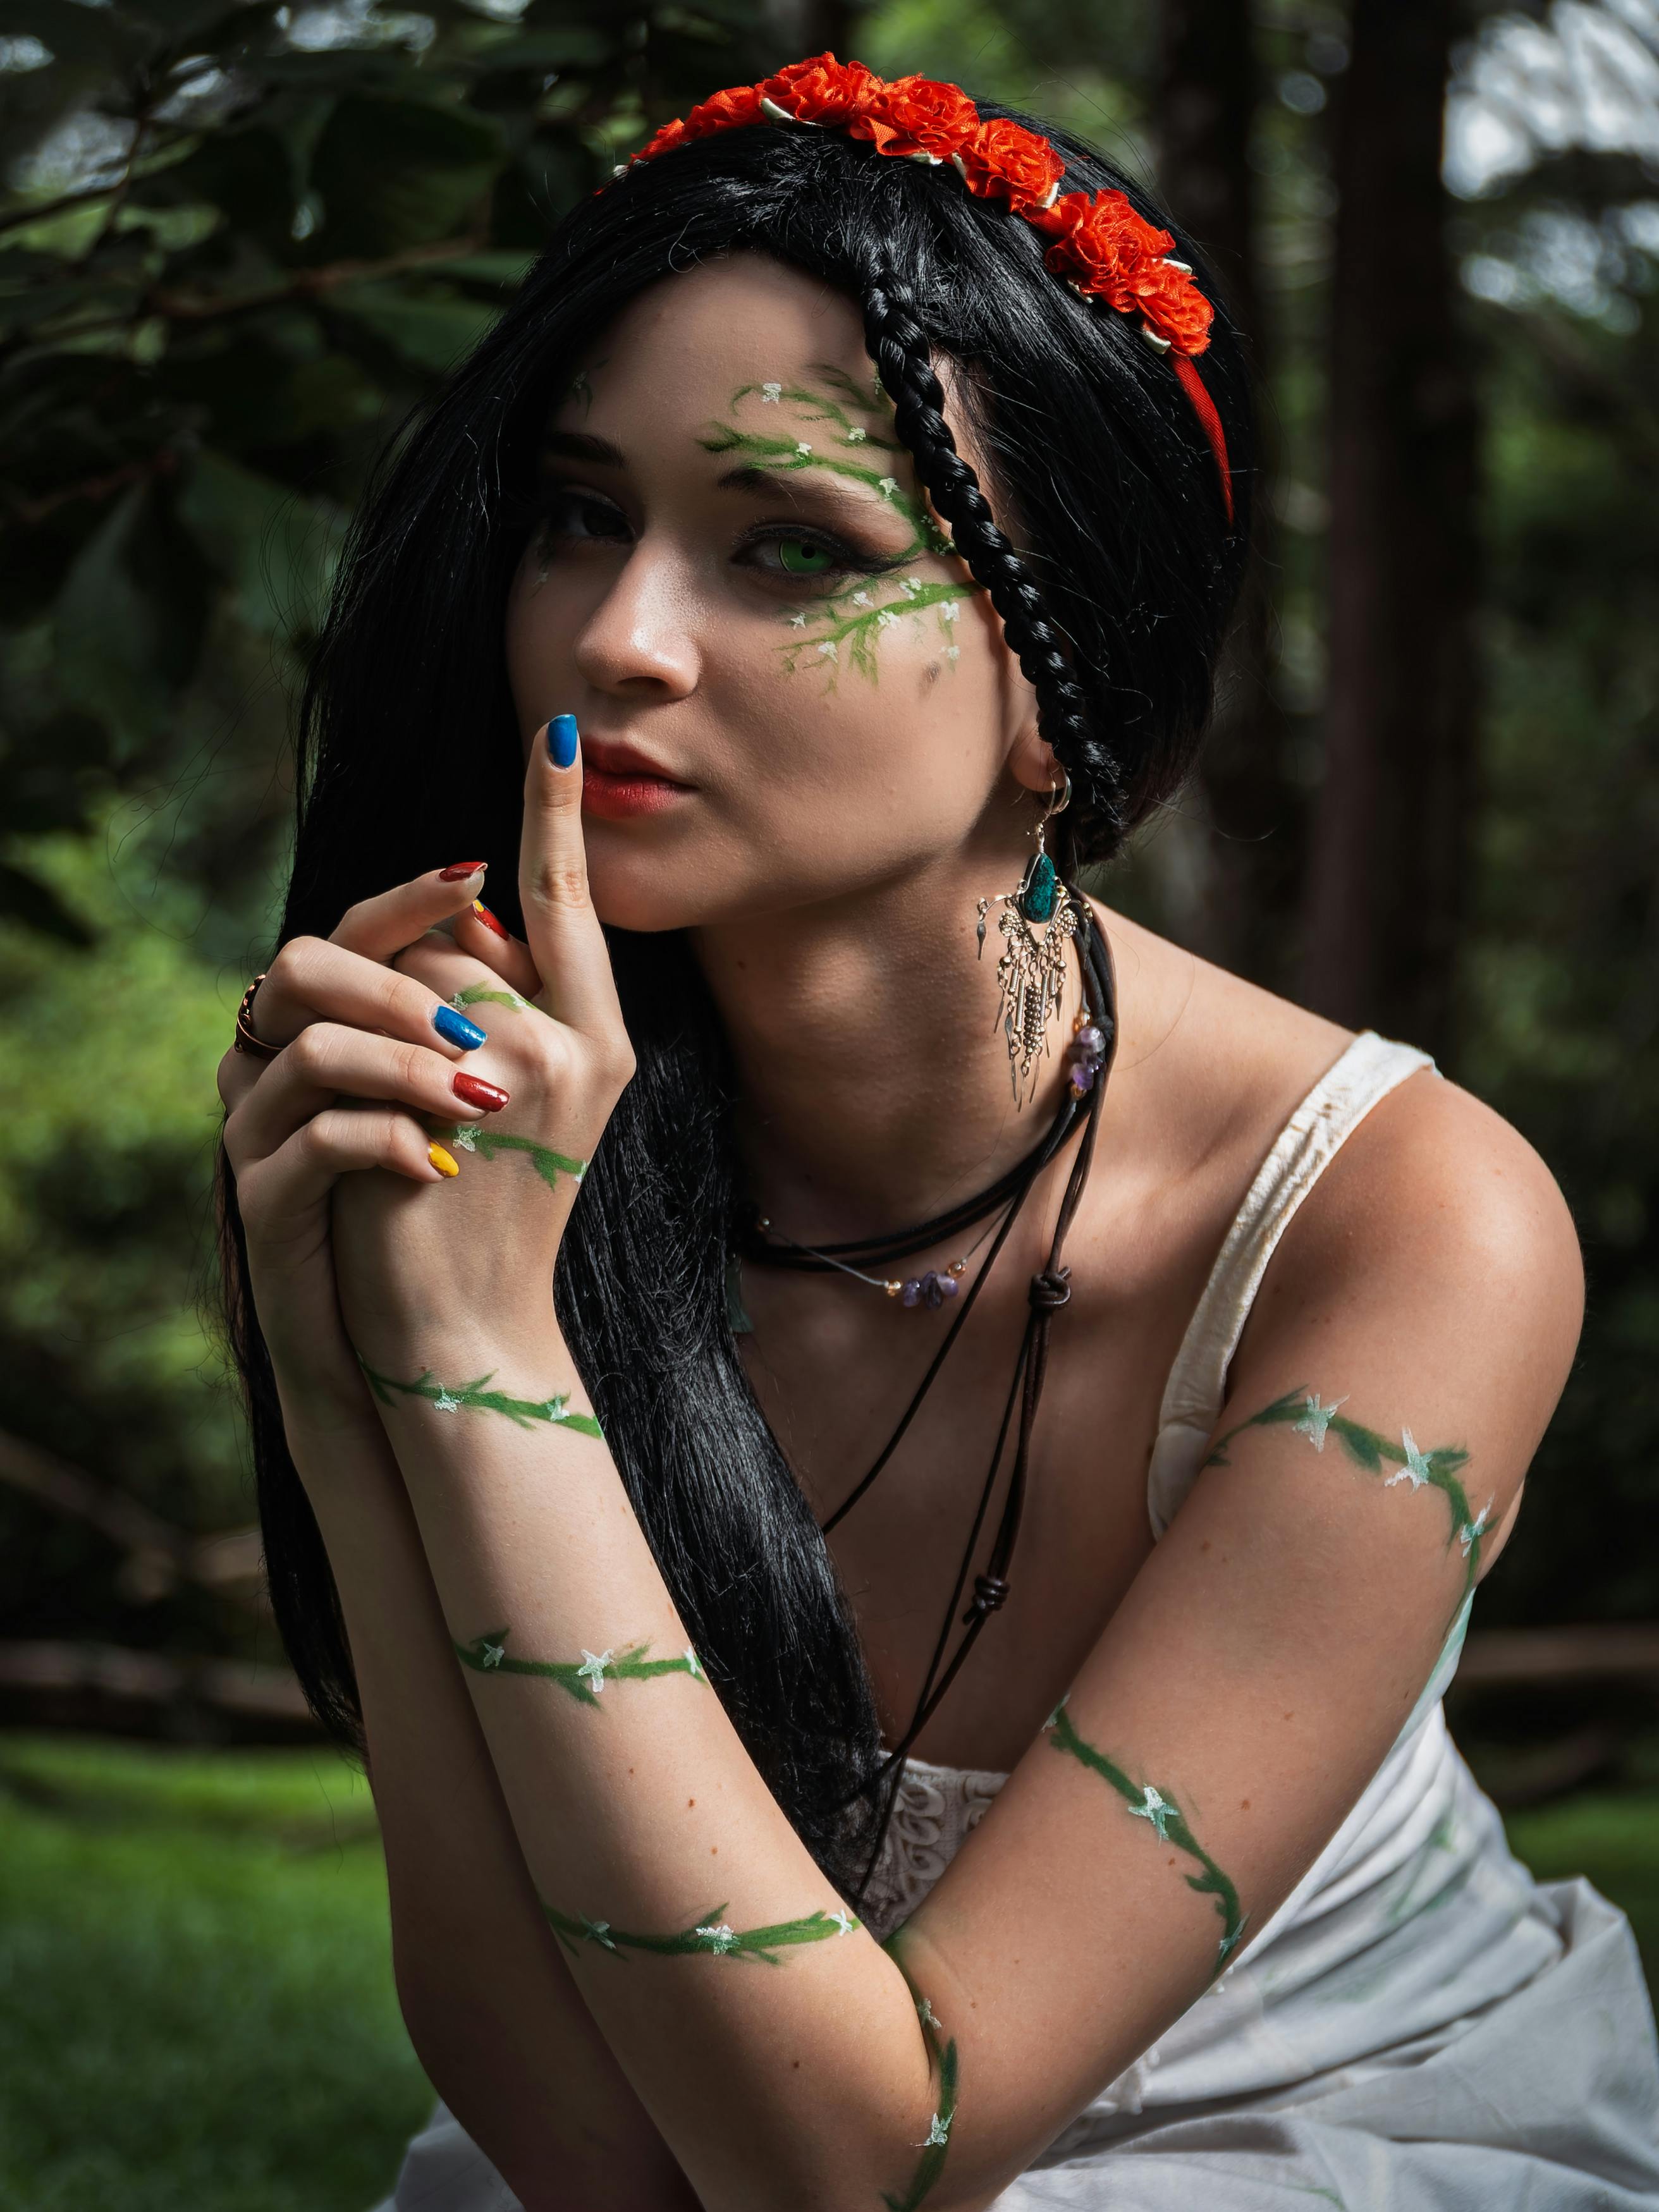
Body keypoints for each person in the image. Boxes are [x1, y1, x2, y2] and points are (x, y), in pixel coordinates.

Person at [213, 56, 1659, 2212]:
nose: (617, 637)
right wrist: (365, 1376)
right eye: (583, 514)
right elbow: (590, 2161)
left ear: (1064, 687)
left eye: (794, 549)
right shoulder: (509, 1148)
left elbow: (848, 2176)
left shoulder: (1403, 1225)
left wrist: (496, 1364)